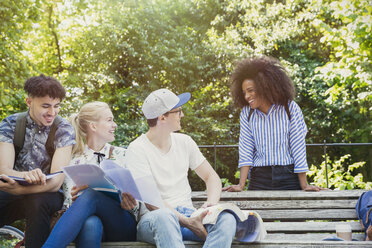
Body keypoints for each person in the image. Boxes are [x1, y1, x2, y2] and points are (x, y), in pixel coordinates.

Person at [122, 89, 237, 248]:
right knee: (165, 217)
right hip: (155, 219)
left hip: (189, 214)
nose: (182, 115)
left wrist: (210, 205)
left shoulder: (185, 142)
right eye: (178, 111)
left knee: (227, 219)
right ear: (162, 117)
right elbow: (152, 202)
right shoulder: (137, 149)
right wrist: (188, 222)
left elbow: (211, 177)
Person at [42, 101, 137, 248]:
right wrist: (74, 199)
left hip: (121, 223)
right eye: (109, 120)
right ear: (93, 126)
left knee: (91, 194)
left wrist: (129, 202)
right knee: (90, 224)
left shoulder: (124, 155)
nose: (115, 125)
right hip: (88, 223)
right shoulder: (72, 159)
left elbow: (138, 200)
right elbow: (68, 204)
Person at [223, 56, 324, 192]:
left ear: (265, 86)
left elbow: (298, 147)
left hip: (288, 177)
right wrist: (241, 185)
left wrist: (304, 185)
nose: (247, 96)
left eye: (251, 90)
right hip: (259, 178)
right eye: (244, 92)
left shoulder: (290, 108)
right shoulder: (247, 113)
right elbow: (246, 149)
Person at [0, 74, 75, 248]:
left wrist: (20, 190)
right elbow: (4, 169)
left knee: (37, 202)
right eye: (45, 106)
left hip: (46, 193)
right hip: (11, 189)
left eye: (56, 106)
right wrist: (26, 176)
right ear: (29, 102)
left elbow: (56, 182)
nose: (52, 113)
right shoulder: (10, 124)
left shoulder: (63, 129)